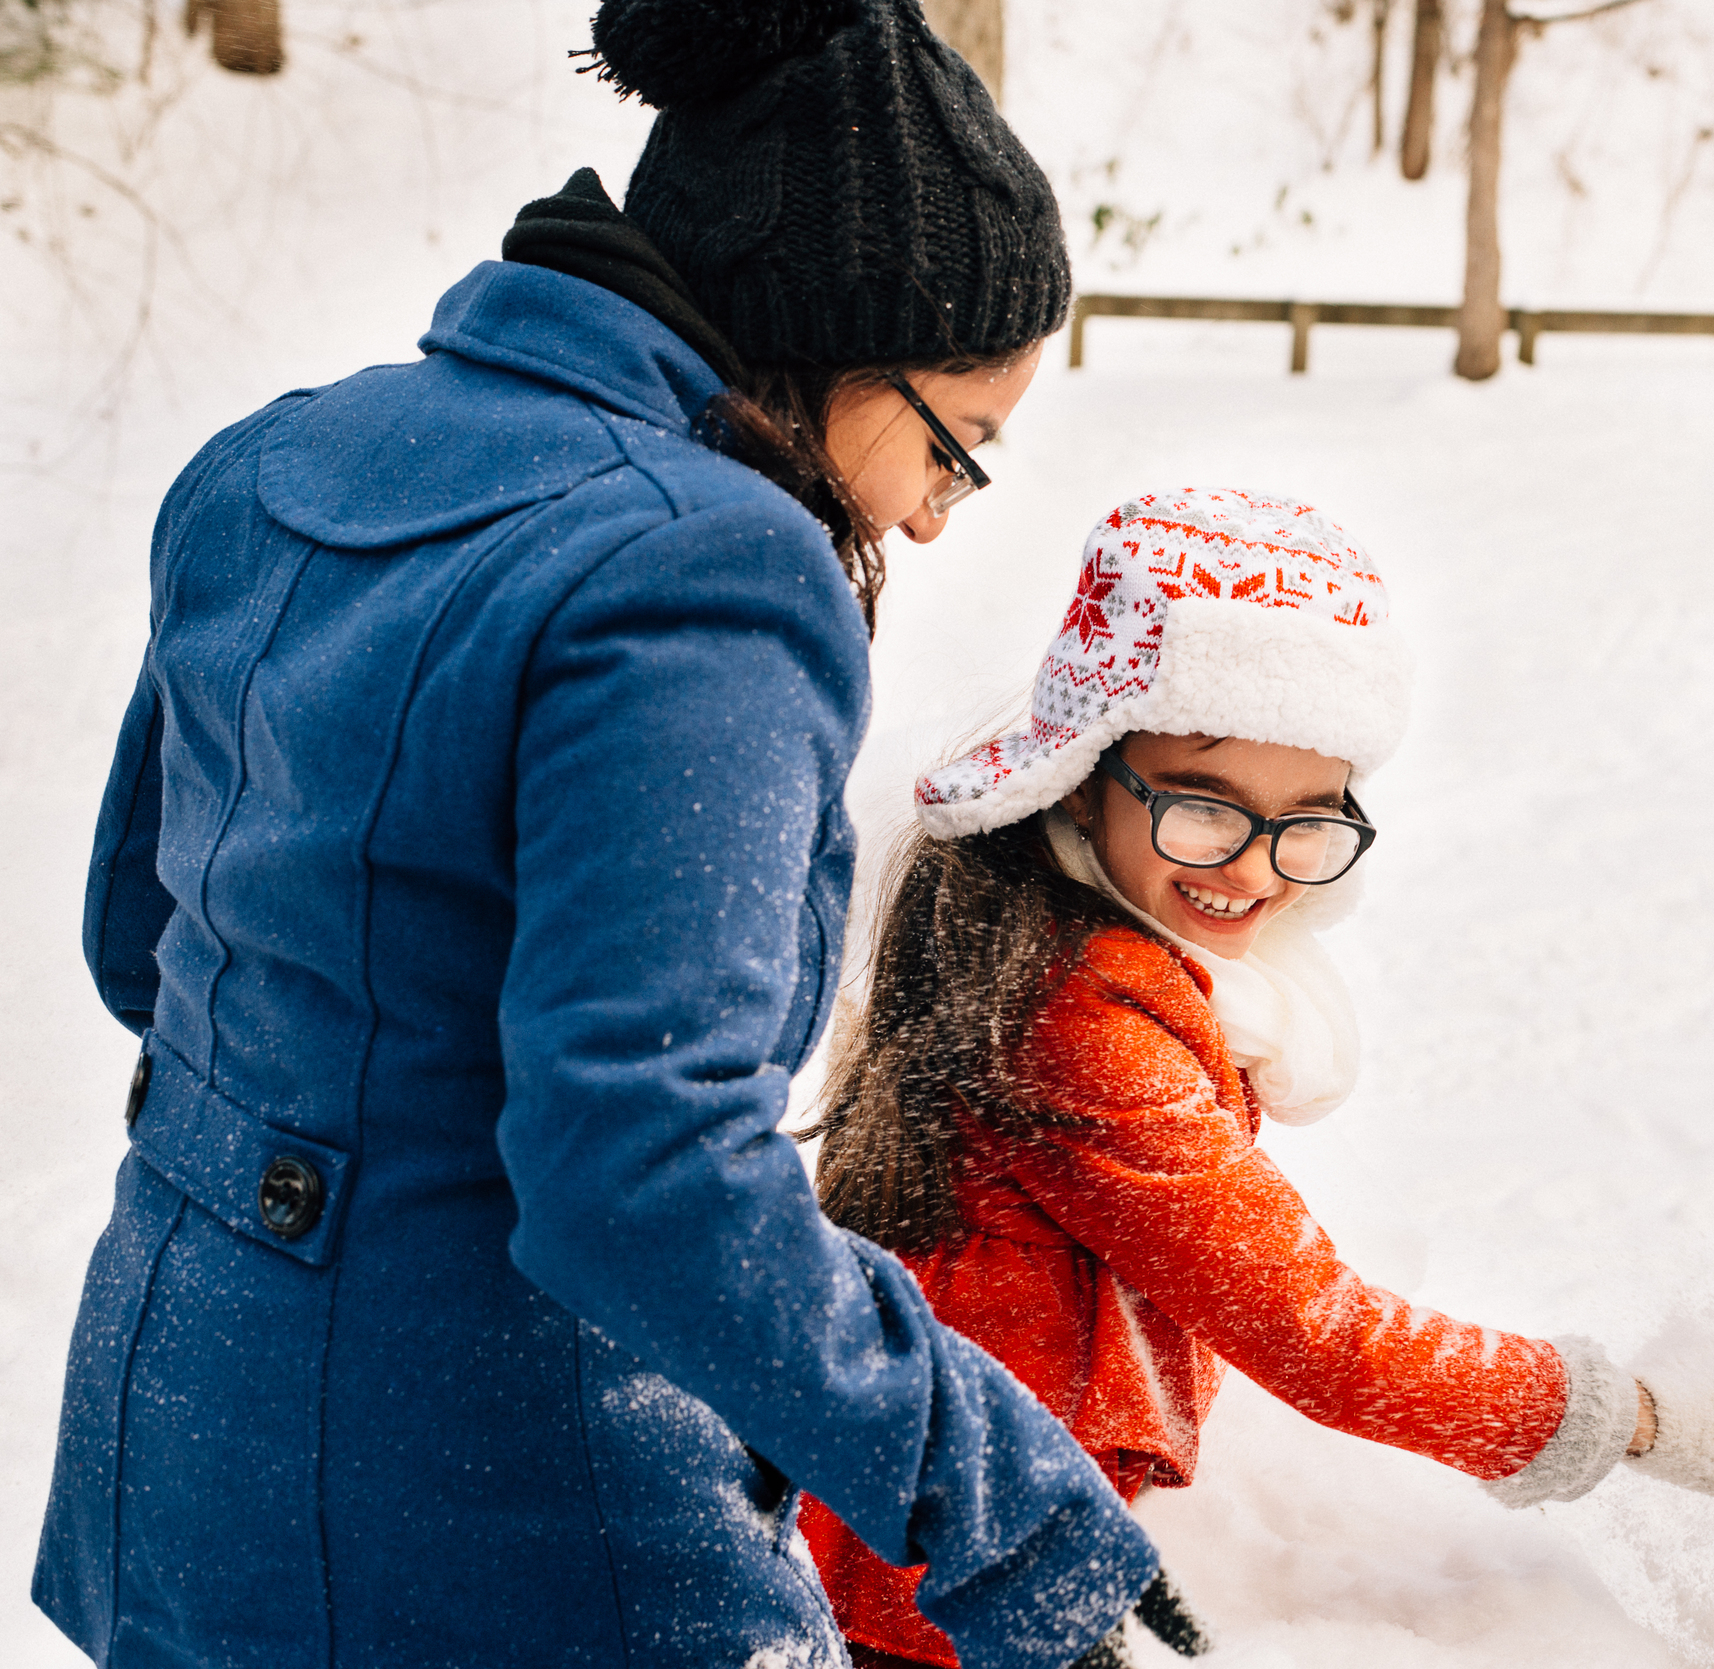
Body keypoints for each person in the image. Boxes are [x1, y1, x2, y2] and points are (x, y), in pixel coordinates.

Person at [32, 5, 1166, 1667]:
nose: (934, 508)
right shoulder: (708, 568)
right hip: (492, 1512)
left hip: (177, 1424)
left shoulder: (276, 451)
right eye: (958, 444)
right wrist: (1008, 1505)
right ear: (834, 332)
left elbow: (144, 942)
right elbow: (641, 1172)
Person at [798, 487, 1714, 1667]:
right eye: (1205, 810)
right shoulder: (1085, 1021)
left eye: (1307, 819)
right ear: (1086, 776)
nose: (1252, 871)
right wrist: (1648, 1422)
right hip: (961, 1574)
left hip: (966, 1524)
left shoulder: (1056, 937)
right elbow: (1320, 1336)